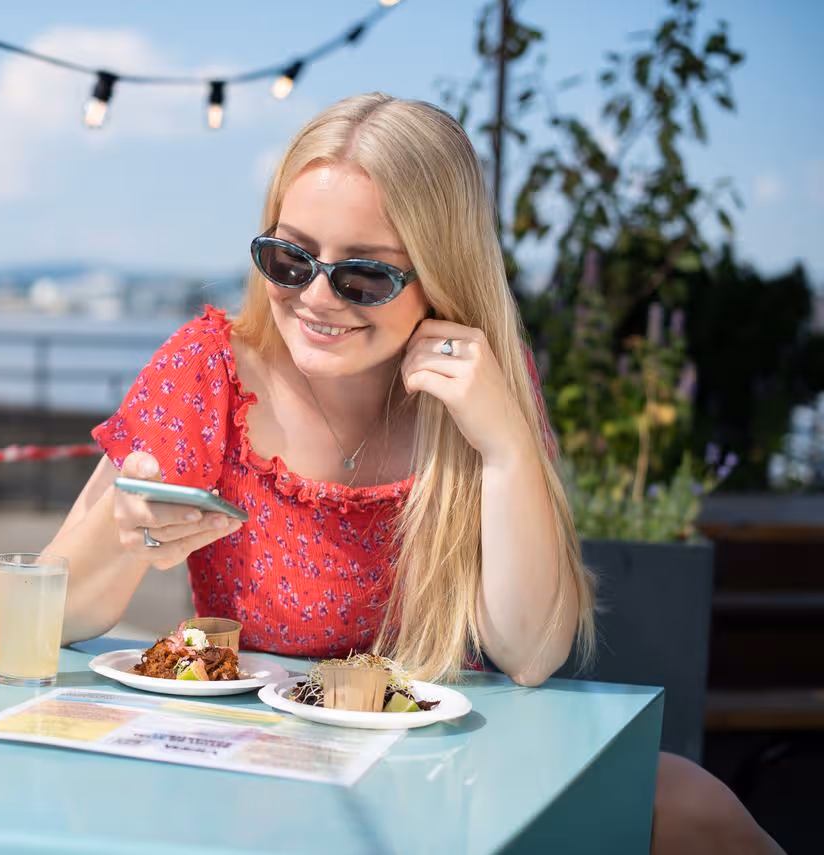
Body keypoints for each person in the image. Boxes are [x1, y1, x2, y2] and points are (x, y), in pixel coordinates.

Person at [43, 94, 782, 855]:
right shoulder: (209, 368)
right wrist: (126, 526)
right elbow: (44, 618)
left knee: (700, 809)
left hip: (437, 760)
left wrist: (504, 444)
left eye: (363, 277)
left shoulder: (480, 387)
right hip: (265, 763)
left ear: (439, 274)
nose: (316, 299)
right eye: (289, 258)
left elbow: (531, 653)